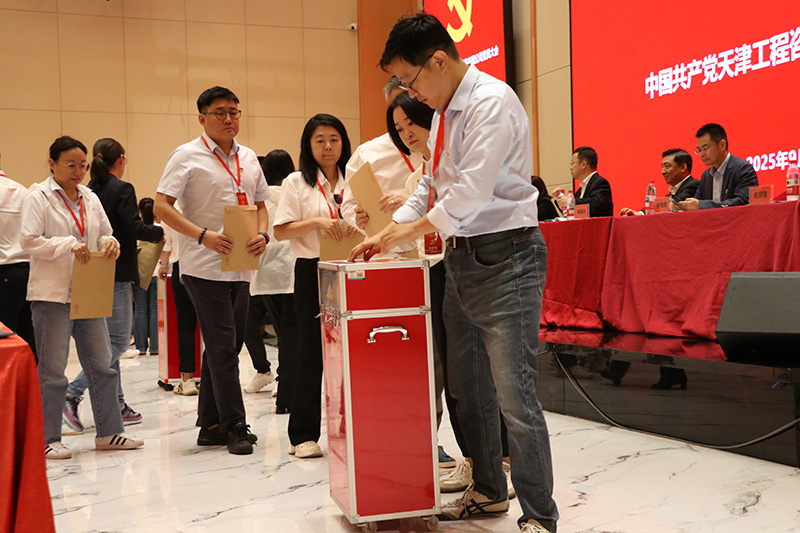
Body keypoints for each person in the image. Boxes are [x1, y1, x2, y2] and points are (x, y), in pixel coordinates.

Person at [349, 13, 558, 532]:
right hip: (462, 259)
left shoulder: (490, 103)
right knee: (468, 389)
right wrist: (388, 229)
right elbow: (432, 185)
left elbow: (470, 194)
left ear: (439, 60)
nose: (409, 91)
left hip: (507, 257)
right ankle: (488, 491)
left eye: (409, 79)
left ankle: (540, 516)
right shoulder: (446, 112)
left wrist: (403, 233)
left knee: (515, 397)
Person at [384, 91, 515, 495]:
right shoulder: (429, 166)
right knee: (459, 378)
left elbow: (457, 206)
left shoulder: (460, 148)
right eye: (399, 128)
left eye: (412, 123)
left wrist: (401, 228)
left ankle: (500, 464)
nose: (406, 133)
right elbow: (420, 204)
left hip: (476, 264)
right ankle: (477, 463)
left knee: (479, 376)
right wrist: (388, 231)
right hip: (440, 267)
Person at [154, 86, 269, 455]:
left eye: (234, 112)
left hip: (242, 266)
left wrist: (263, 234)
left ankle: (211, 424)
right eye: (220, 112)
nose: (229, 118)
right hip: (203, 266)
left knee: (228, 345)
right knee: (222, 347)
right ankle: (235, 425)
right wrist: (203, 236)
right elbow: (161, 206)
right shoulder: (186, 155)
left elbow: (261, 204)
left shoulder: (248, 157)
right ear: (202, 118)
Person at [20, 135, 144, 459]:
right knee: (53, 371)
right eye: (70, 165)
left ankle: (110, 433)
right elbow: (29, 240)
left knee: (103, 365)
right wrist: (65, 244)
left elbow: (104, 231)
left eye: (83, 166)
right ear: (52, 164)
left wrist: (110, 242)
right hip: (52, 295)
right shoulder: (38, 196)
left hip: (87, 291)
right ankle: (48, 438)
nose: (78, 172)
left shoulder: (89, 196)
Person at [64, 138, 163, 432]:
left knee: (108, 344)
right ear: (121, 159)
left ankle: (116, 403)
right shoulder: (122, 189)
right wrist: (159, 232)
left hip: (94, 271)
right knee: (118, 343)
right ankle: (72, 392)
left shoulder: (89, 190)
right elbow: (133, 227)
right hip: (117, 273)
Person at [274, 113, 357, 459]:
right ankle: (303, 434)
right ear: (308, 145)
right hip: (313, 269)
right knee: (311, 352)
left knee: (353, 351)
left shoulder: (354, 177)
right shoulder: (297, 182)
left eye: (334, 139)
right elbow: (281, 230)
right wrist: (317, 222)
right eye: (319, 140)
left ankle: (352, 425)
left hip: (351, 267)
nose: (327, 146)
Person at [243, 150, 299, 415]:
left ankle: (268, 372)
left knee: (257, 327)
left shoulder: (260, 199)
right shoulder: (294, 191)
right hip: (290, 270)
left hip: (263, 273)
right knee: (289, 333)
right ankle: (284, 383)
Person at [339, 76, 424, 235]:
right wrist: (361, 220)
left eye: (409, 100)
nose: (404, 107)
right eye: (397, 103)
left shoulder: (441, 141)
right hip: (393, 242)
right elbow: (349, 205)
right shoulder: (367, 153)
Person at [157, 215, 200, 396]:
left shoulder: (172, 211)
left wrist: (163, 264)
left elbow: (167, 244)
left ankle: (187, 379)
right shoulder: (205, 205)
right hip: (208, 266)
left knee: (186, 326)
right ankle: (213, 375)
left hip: (181, 267)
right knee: (213, 325)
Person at [673, 123, 758, 211]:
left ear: (722, 145)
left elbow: (743, 202)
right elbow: (698, 202)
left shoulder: (743, 169)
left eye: (705, 148)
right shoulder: (706, 176)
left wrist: (701, 205)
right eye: (699, 150)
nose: (702, 154)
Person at [0, 163, 36, 357]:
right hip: (27, 271)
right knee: (27, 338)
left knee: (5, 343)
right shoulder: (22, 190)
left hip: (4, 272)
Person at [619, 149, 700, 215]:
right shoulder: (675, 190)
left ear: (683, 167)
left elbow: (673, 203)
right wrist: (639, 213)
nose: (663, 171)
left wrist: (641, 213)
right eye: (662, 167)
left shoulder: (694, 185)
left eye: (667, 166)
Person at [132, 197, 161, 356]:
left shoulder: (137, 230)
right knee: (155, 311)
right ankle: (155, 347)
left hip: (139, 274)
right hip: (157, 273)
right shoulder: (160, 229)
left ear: (140, 212)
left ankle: (140, 347)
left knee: (140, 310)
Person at [560, 146, 613, 217]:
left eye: (572, 163)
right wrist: (560, 199)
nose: (570, 168)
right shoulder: (581, 188)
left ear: (583, 165)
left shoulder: (600, 183)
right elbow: (571, 213)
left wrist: (570, 201)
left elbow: (597, 205)